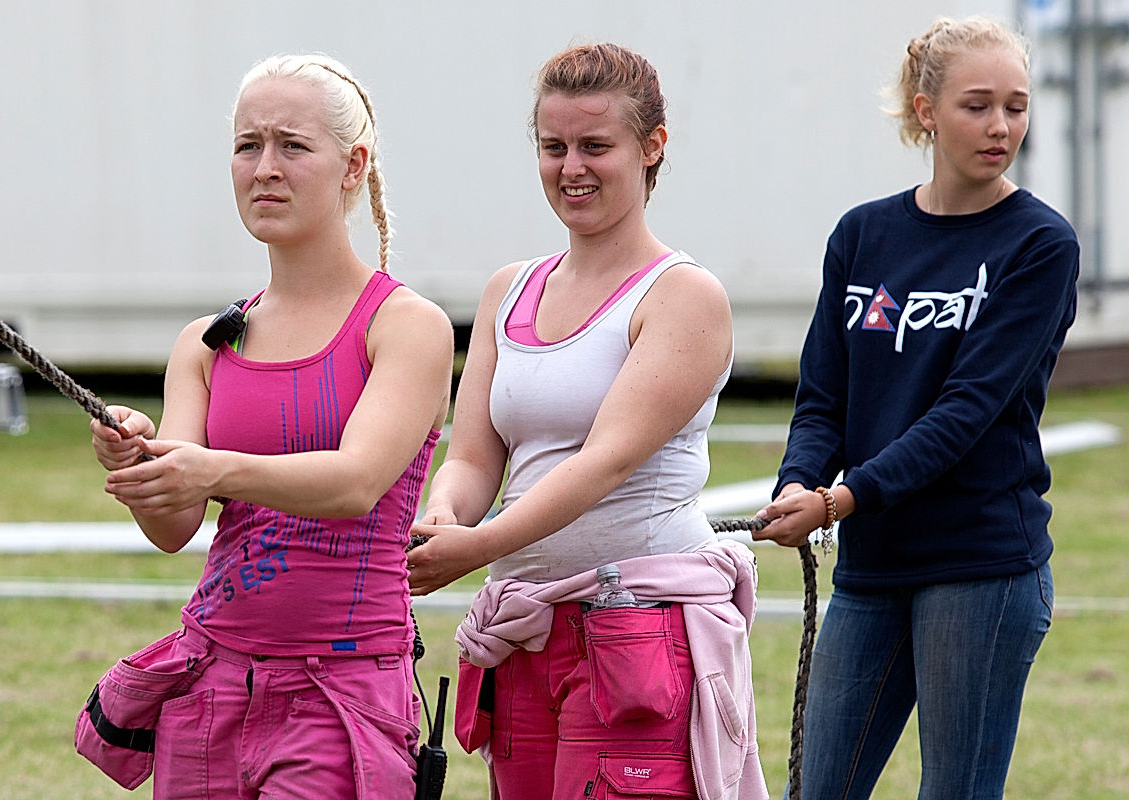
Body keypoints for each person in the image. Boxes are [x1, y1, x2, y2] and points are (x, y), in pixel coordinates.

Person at [79, 54, 453, 799]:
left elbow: (355, 482)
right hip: (211, 684)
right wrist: (139, 463)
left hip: (342, 688)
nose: (265, 168)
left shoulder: (406, 326)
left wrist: (208, 467)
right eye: (248, 145)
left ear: (353, 165)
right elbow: (174, 526)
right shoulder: (207, 342)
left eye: (292, 145)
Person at [406, 43, 767, 800]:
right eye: (553, 147)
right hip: (530, 634)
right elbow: (474, 455)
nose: (572, 167)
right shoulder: (510, 290)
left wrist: (476, 548)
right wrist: (444, 514)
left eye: (595, 146)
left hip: (640, 628)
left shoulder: (683, 297)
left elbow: (604, 462)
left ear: (653, 147)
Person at [754, 16, 1080, 799]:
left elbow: (965, 413)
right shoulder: (863, 235)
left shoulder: (1040, 245)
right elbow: (824, 397)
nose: (1002, 126)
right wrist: (799, 482)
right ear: (924, 108)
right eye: (978, 105)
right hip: (872, 568)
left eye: (1016, 105)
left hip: (981, 570)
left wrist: (841, 498)